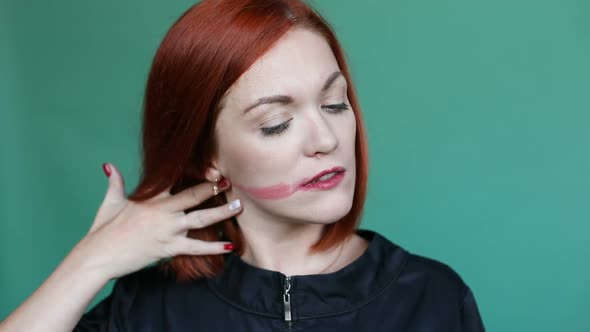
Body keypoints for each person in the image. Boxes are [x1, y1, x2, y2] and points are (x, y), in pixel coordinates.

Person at [0, 0, 486, 331]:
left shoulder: (434, 298)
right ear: (208, 157)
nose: (326, 139)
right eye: (277, 122)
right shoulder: (148, 309)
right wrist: (94, 260)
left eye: (335, 104)